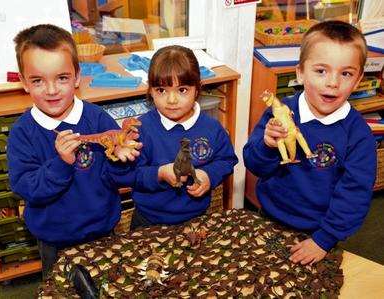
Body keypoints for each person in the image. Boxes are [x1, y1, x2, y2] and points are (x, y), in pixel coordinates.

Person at [7, 24, 141, 279]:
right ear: (24, 82)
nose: (52, 89)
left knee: (110, 284)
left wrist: (122, 158)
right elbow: (25, 187)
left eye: (62, 78)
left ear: (77, 77)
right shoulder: (22, 133)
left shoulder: (97, 118)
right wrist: (61, 163)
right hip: (54, 239)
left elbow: (120, 178)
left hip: (103, 229)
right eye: (38, 80)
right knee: (60, 289)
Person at [243, 20, 376, 265]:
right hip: (268, 215)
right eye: (321, 71)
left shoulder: (359, 137)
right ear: (300, 72)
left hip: (320, 232)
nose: (333, 82)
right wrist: (267, 146)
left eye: (346, 73)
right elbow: (254, 164)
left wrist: (323, 240)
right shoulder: (279, 112)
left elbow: (354, 195)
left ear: (357, 81)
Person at [125, 45, 238, 229]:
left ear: (197, 89)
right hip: (148, 221)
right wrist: (160, 174)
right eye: (161, 90)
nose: (171, 100)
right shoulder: (140, 129)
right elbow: (129, 175)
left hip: (197, 219)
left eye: (182, 90)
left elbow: (226, 160)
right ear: (150, 91)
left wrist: (208, 175)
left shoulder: (212, 128)